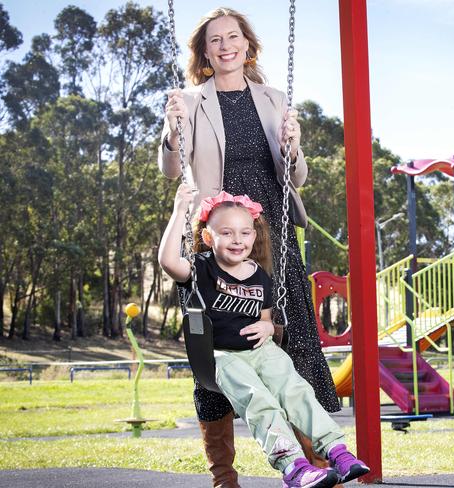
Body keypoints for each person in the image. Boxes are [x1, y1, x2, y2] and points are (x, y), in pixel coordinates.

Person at [158, 7, 340, 487]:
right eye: (214, 40)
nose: (225, 46)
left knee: (294, 341)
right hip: (218, 235)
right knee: (217, 342)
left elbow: (296, 176)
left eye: (232, 37)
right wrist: (168, 127)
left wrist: (295, 146)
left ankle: (318, 463)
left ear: (247, 45)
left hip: (273, 232)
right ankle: (225, 475)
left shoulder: (274, 99)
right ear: (204, 53)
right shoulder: (190, 102)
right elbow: (173, 170)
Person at [159, 187, 369, 487]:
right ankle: (293, 466)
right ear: (208, 238)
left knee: (297, 390)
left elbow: (266, 319)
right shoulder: (200, 268)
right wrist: (180, 209)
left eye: (245, 233)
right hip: (222, 356)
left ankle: (337, 450)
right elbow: (168, 262)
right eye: (227, 233)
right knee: (259, 400)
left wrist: (269, 328)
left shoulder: (259, 275)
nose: (237, 240)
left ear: (253, 237)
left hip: (262, 350)